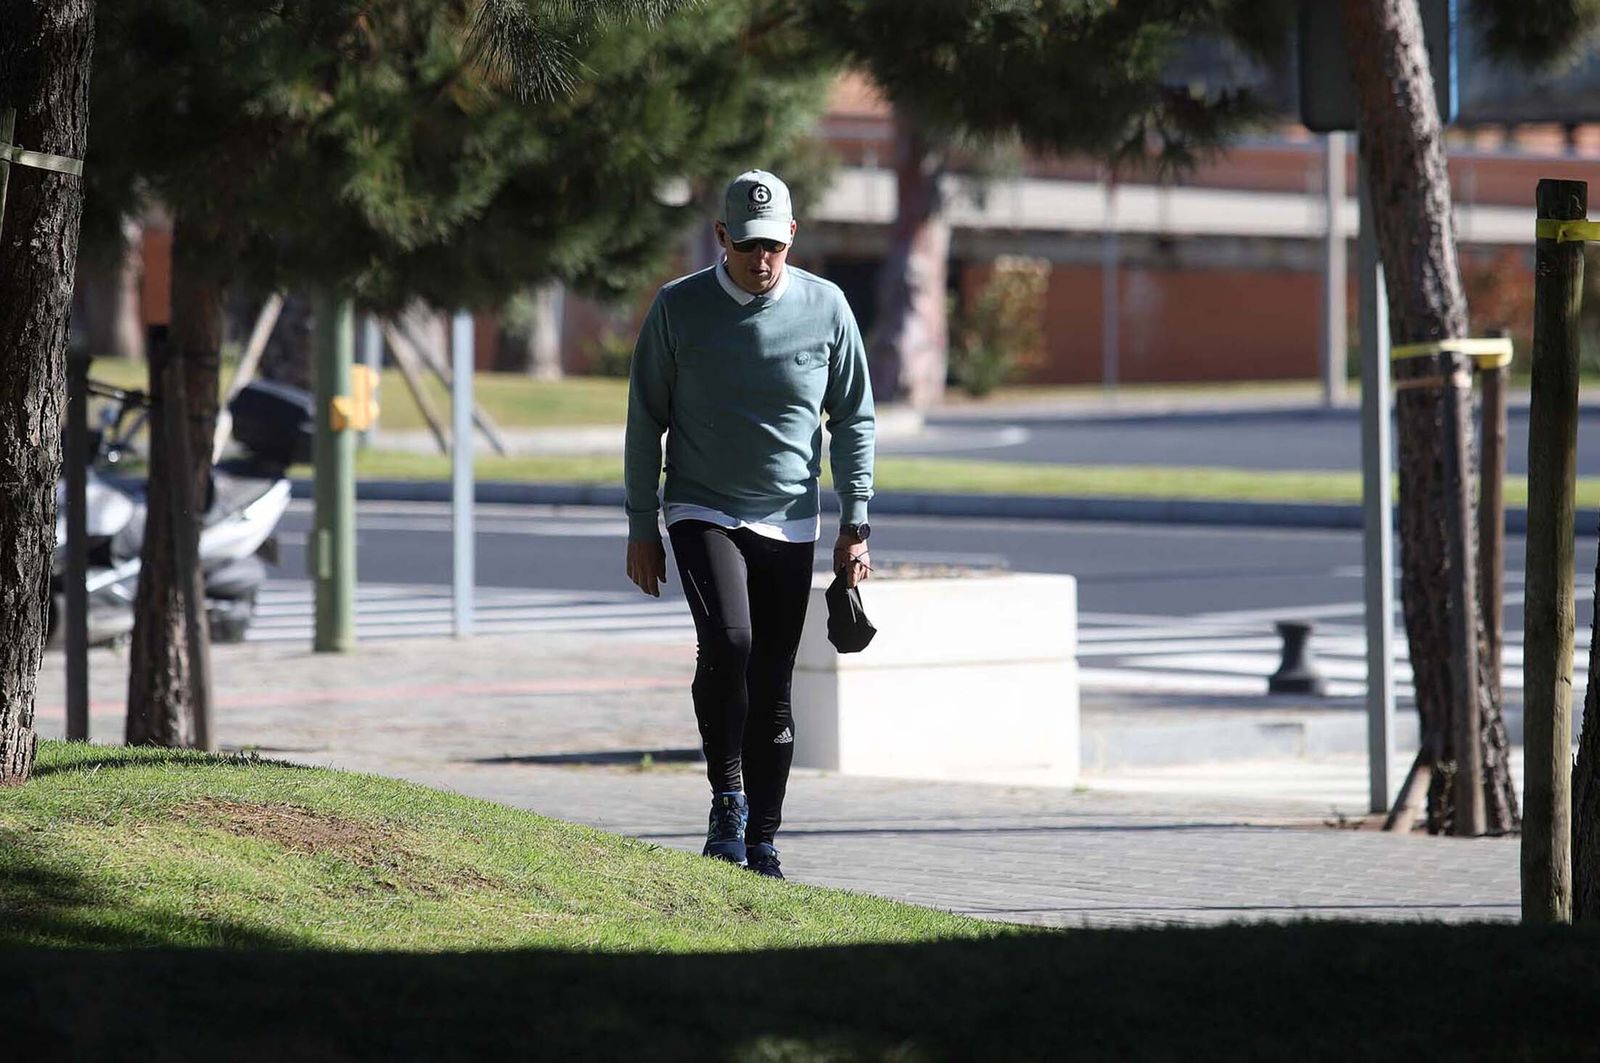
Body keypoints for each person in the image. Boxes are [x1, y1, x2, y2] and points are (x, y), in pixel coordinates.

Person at [623, 169, 875, 880]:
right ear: (721, 236)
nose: (761, 261)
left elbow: (855, 415)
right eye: (747, 246)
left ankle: (763, 840)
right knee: (729, 640)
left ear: (791, 237)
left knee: (773, 681)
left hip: (790, 519)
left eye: (774, 246)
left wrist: (855, 523)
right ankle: (727, 799)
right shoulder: (679, 308)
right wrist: (643, 521)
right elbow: (645, 418)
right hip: (702, 504)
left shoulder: (827, 309)